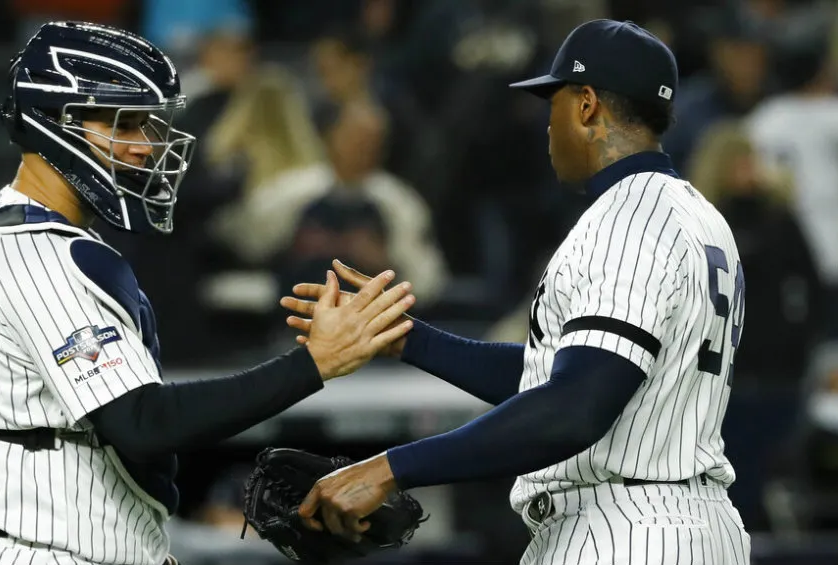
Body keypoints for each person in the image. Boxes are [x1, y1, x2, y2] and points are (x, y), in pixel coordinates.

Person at [0, 21, 415, 565]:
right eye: (125, 125)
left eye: (147, 125)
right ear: (56, 123)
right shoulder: (38, 254)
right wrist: (313, 365)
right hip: (43, 548)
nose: (144, 146)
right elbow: (144, 424)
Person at [282, 19, 751, 564]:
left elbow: (573, 407)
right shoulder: (698, 214)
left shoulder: (625, 221)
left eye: (552, 102)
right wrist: (410, 339)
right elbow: (564, 376)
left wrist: (391, 468)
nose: (544, 123)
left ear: (586, 105)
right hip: (689, 525)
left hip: (624, 532)